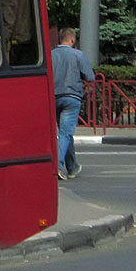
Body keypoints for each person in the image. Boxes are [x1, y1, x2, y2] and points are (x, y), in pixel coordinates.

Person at [52, 27, 94, 180]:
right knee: (65, 132)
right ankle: (58, 165)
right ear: (72, 40)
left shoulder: (51, 55)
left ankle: (72, 166)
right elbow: (90, 77)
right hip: (72, 98)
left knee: (65, 131)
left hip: (54, 97)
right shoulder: (78, 55)